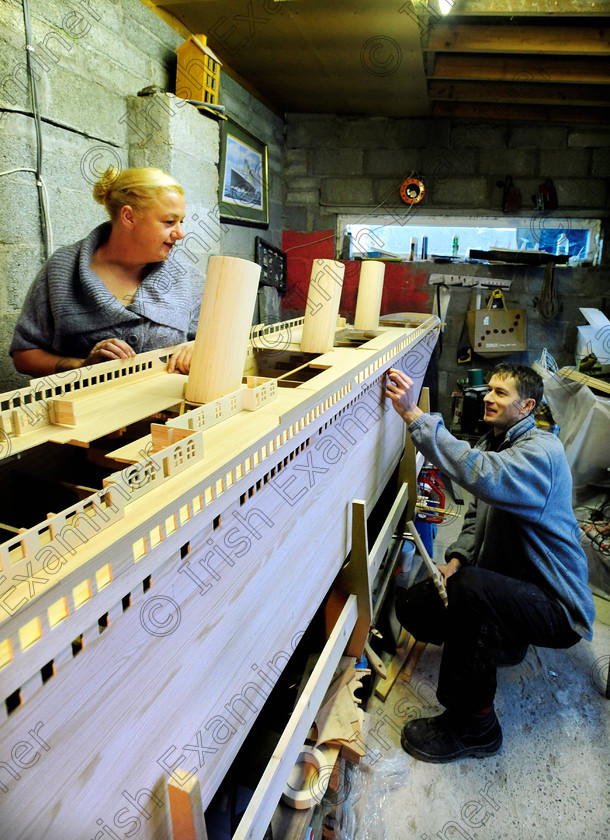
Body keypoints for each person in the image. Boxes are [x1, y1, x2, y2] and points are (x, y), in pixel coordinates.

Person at [385, 363, 594, 763]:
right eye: (490, 390)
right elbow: (474, 514)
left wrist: (414, 416)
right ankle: (504, 639)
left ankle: (474, 726)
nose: (488, 397)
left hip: (554, 605)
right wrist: (459, 557)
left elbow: (480, 474)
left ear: (527, 406)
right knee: (416, 607)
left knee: (471, 591)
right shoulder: (494, 444)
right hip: (516, 585)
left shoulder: (540, 453)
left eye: (501, 393)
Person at [10, 166, 199, 377]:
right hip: (84, 408)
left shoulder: (185, 275)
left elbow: (220, 334)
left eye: (181, 222)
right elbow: (24, 355)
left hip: (170, 409)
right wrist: (82, 367)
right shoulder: (61, 272)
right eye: (169, 222)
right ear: (129, 217)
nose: (180, 233)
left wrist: (200, 347)